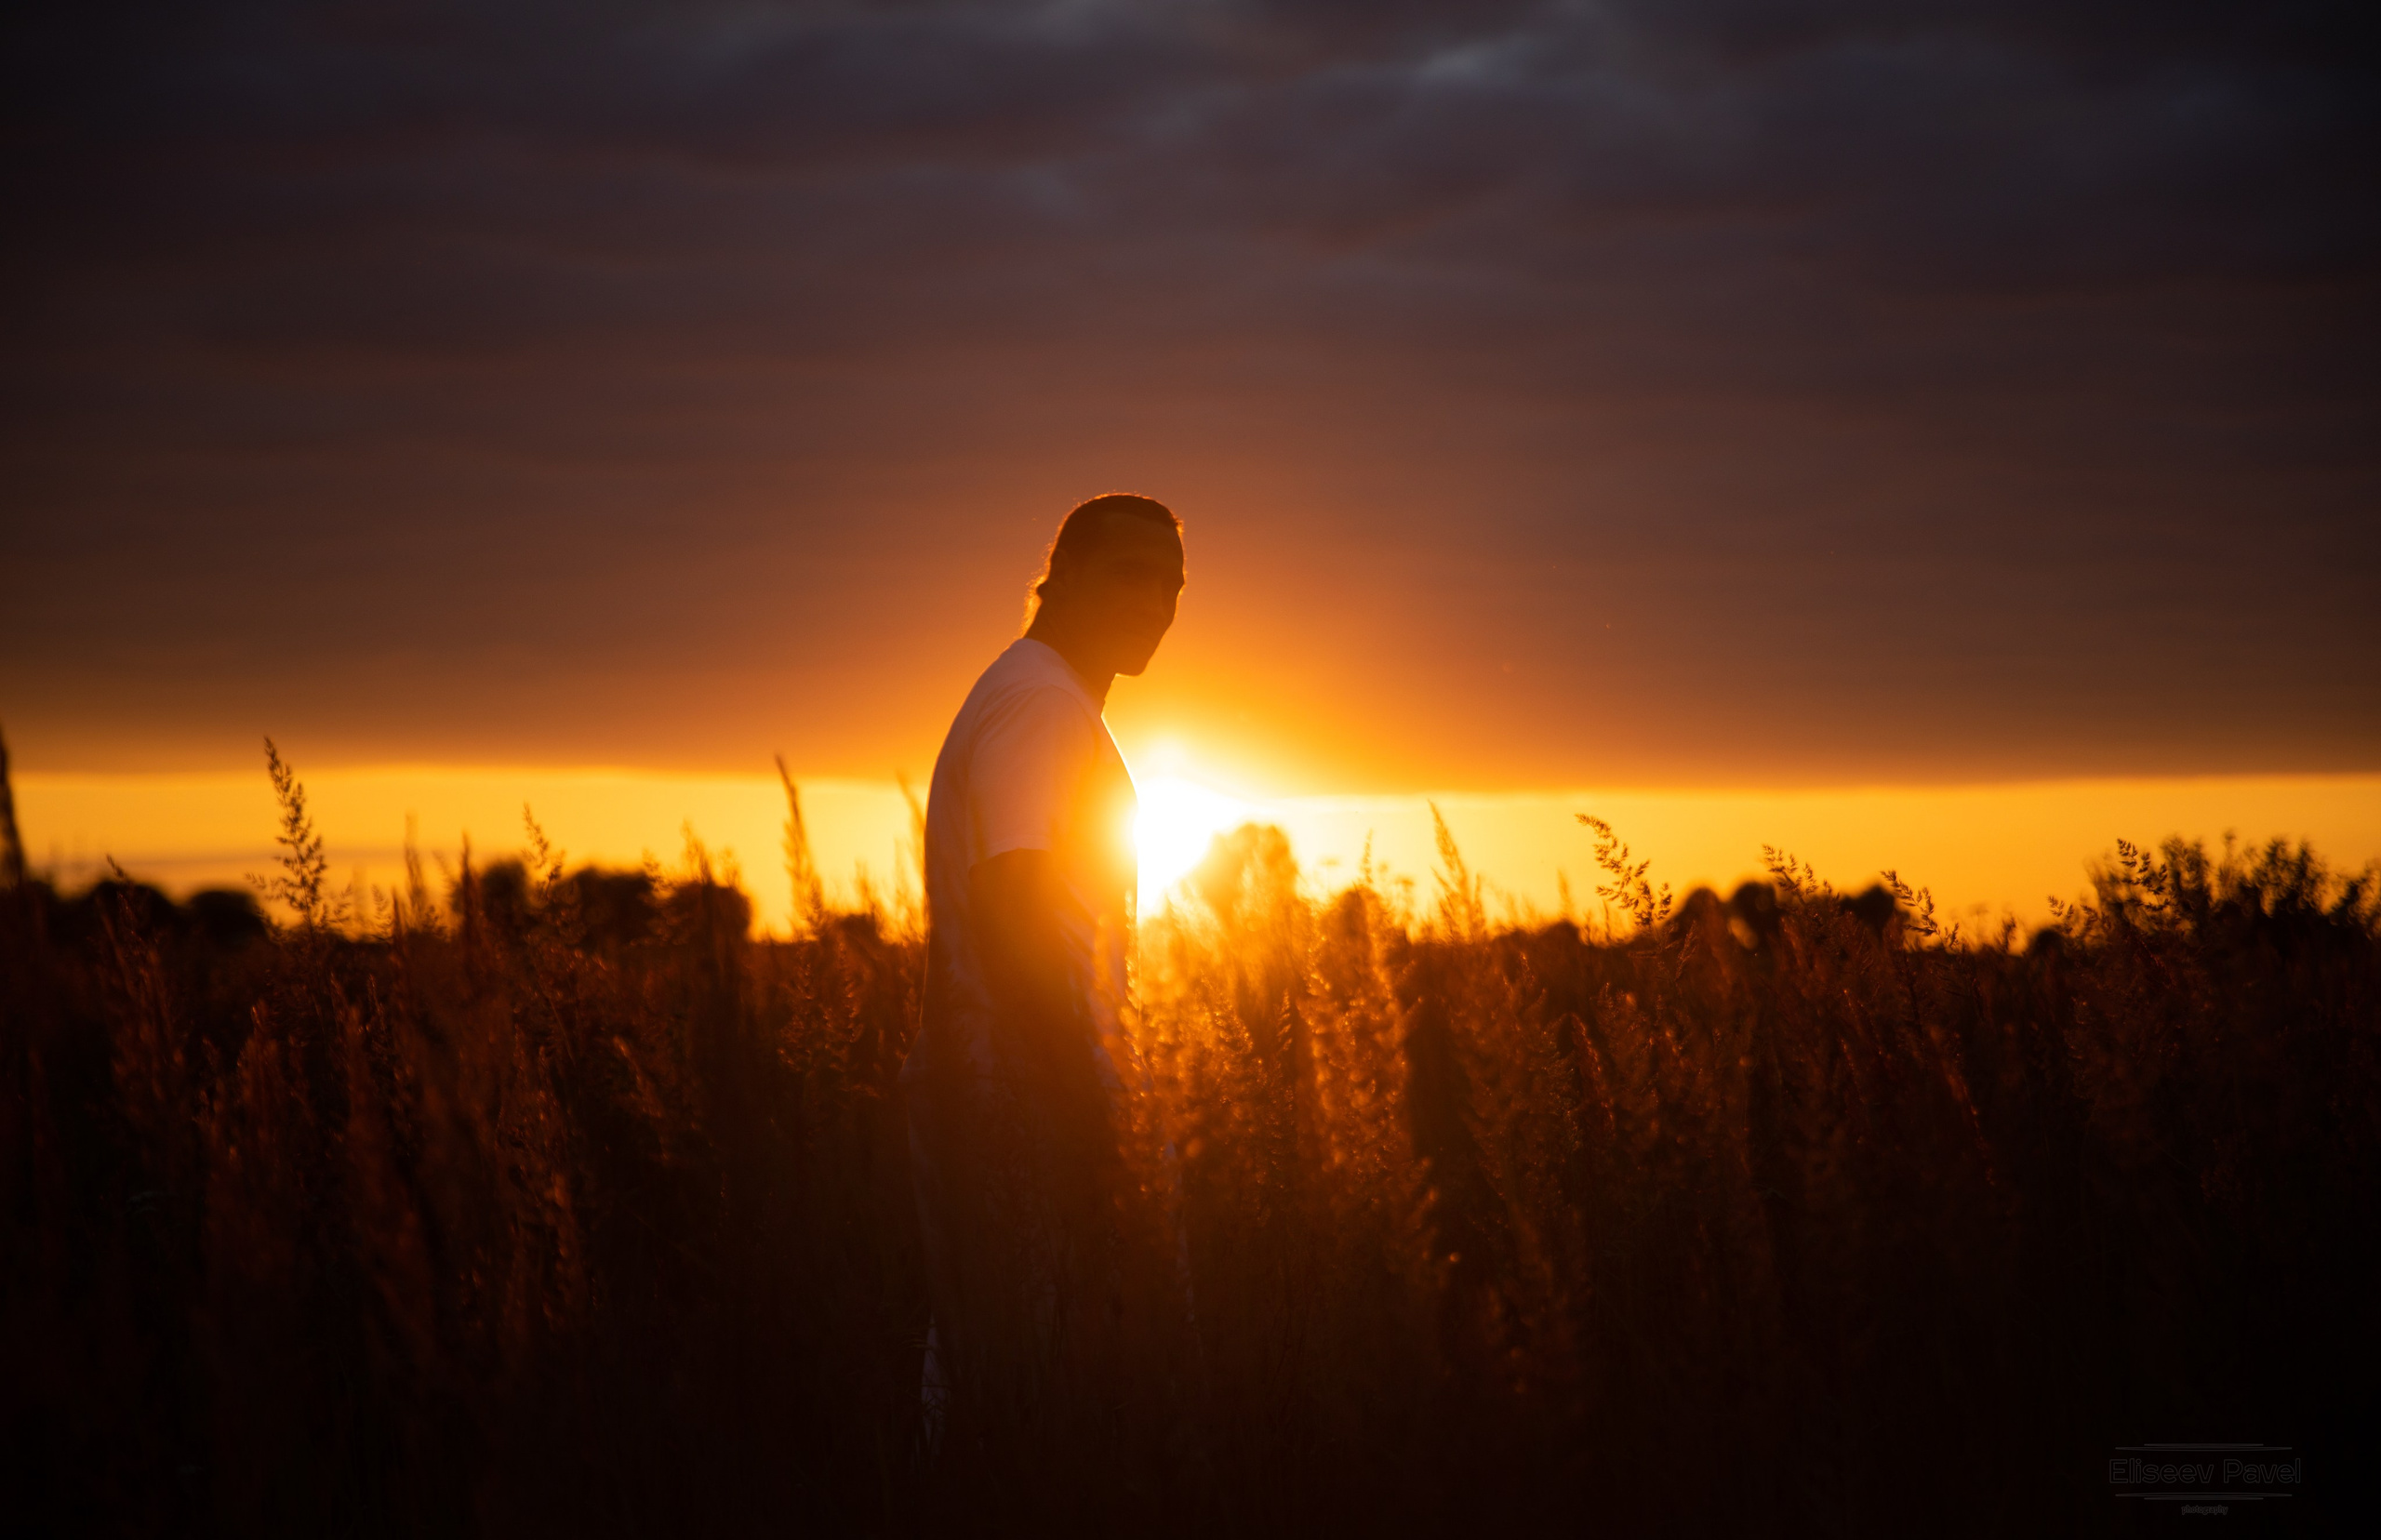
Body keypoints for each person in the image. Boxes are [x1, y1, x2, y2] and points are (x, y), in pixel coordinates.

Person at [900, 492, 1186, 1458]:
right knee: (1027, 1390)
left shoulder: (1036, 695)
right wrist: (1087, 1119)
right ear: (1057, 573)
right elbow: (1015, 900)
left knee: (993, 1376)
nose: (1154, 600)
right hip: (1024, 1094)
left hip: (1004, 1086)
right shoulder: (1041, 703)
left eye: (1172, 583)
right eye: (1128, 572)